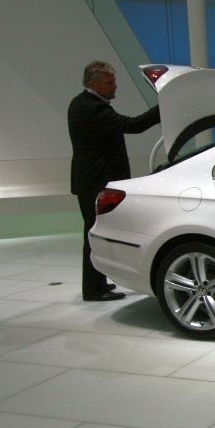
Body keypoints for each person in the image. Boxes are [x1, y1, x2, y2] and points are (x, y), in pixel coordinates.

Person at [69, 61, 160, 301]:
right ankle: (93, 289)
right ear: (93, 83)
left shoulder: (80, 103)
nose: (115, 87)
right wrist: (164, 107)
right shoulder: (94, 109)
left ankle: (97, 283)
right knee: (96, 233)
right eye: (109, 83)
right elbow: (134, 125)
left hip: (89, 179)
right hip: (97, 181)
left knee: (95, 231)